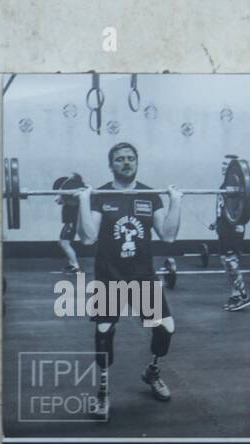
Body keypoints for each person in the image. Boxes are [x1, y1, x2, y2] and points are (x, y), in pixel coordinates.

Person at [77, 142, 182, 415]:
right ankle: (102, 392)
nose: (126, 162)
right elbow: (88, 237)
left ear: (137, 162)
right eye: (120, 159)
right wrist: (83, 201)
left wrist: (176, 201)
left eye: (131, 158)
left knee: (165, 328)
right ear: (111, 165)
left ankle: (152, 371)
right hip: (110, 278)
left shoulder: (151, 196)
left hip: (143, 278)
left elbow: (168, 235)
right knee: (104, 334)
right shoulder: (101, 195)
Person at [214, 154, 250, 312]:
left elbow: (241, 209)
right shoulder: (224, 184)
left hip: (233, 228)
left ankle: (243, 296)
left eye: (227, 164)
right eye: (223, 163)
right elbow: (223, 208)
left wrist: (239, 225)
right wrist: (216, 222)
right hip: (223, 227)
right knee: (225, 261)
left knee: (230, 261)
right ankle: (235, 295)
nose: (224, 166)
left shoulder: (239, 186)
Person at [53, 174, 83, 273]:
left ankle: (76, 266)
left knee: (65, 243)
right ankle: (72, 264)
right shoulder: (68, 198)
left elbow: (59, 201)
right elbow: (58, 201)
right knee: (62, 243)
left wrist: (61, 194)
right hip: (68, 223)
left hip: (71, 223)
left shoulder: (73, 200)